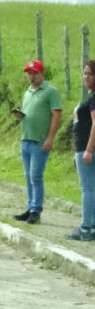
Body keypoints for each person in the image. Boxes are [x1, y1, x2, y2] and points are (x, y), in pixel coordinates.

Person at [11, 59, 62, 225]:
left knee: (36, 176)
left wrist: (50, 138)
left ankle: (36, 210)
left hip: (40, 141)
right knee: (28, 176)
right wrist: (21, 115)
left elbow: (56, 115)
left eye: (35, 73)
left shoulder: (51, 91)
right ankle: (30, 207)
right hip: (26, 138)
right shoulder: (27, 92)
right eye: (29, 73)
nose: (31, 76)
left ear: (41, 74)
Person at [65, 60, 95, 241]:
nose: (86, 77)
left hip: (87, 147)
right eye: (84, 73)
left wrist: (88, 150)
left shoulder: (93, 98)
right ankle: (91, 224)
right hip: (83, 146)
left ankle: (86, 227)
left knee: (87, 188)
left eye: (90, 74)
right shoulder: (90, 96)